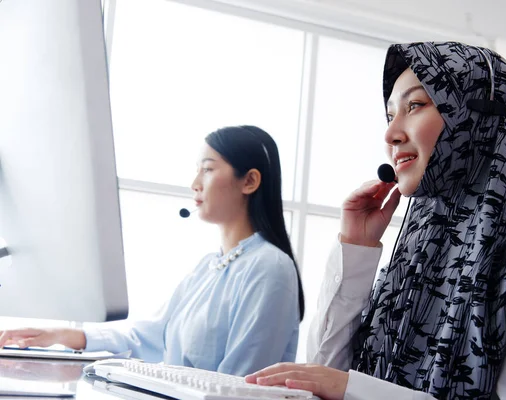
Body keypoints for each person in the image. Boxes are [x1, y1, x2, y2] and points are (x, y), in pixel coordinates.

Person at [245, 42, 506, 399]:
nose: (390, 134)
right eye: (389, 115)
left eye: (414, 105)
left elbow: (343, 386)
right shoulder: (420, 253)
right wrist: (356, 250)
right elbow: (324, 374)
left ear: (479, 119)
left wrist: (355, 390)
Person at [0, 125, 305, 376]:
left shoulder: (269, 268)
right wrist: (59, 336)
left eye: (208, 170)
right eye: (196, 171)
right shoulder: (208, 266)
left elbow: (237, 384)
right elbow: (150, 335)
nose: (195, 184)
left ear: (249, 181)